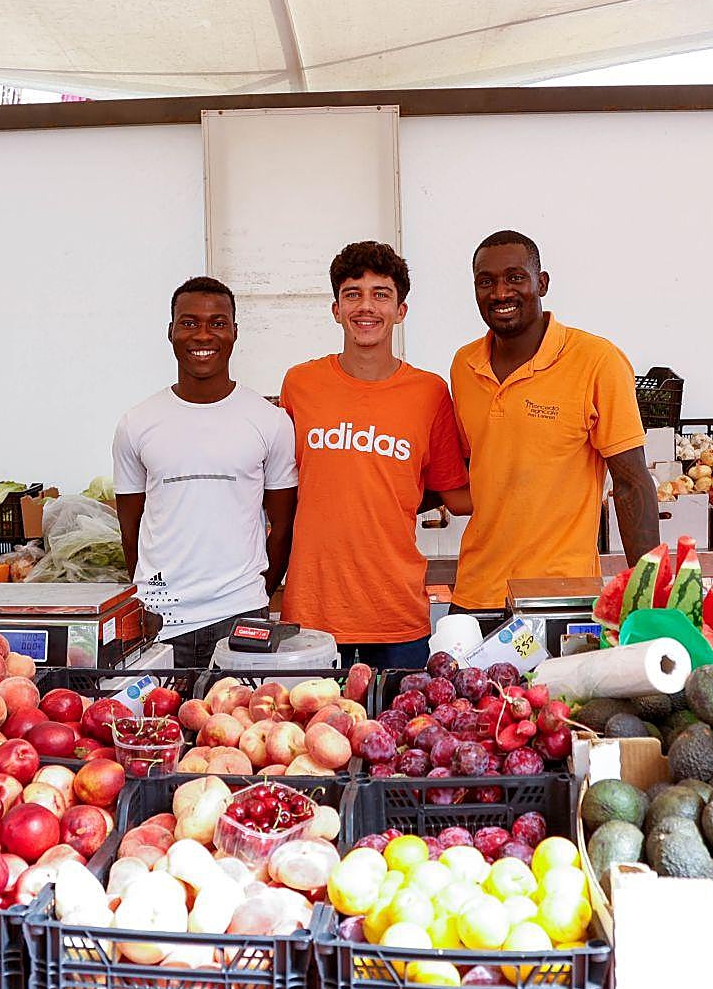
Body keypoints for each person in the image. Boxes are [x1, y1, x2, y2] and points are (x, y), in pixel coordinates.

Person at [280, 241, 471, 669]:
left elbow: (456, 495)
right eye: (353, 294)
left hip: (397, 616)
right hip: (313, 616)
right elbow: (280, 488)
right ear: (335, 309)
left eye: (381, 294)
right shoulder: (300, 384)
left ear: (401, 310)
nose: (366, 307)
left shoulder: (429, 393)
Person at [449, 230, 658, 614]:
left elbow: (631, 483)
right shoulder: (464, 365)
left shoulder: (596, 360)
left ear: (541, 282)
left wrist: (650, 597)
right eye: (486, 281)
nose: (500, 293)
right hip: (474, 593)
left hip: (561, 596)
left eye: (515, 277)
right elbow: (477, 466)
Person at [112, 276, 298, 666]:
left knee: (241, 725)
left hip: (241, 616)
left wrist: (256, 593)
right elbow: (131, 527)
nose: (203, 335)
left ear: (234, 332)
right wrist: (144, 596)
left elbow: (283, 526)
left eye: (217, 323)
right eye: (189, 322)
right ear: (171, 332)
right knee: (159, 725)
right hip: (158, 619)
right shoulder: (136, 422)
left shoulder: (270, 421)